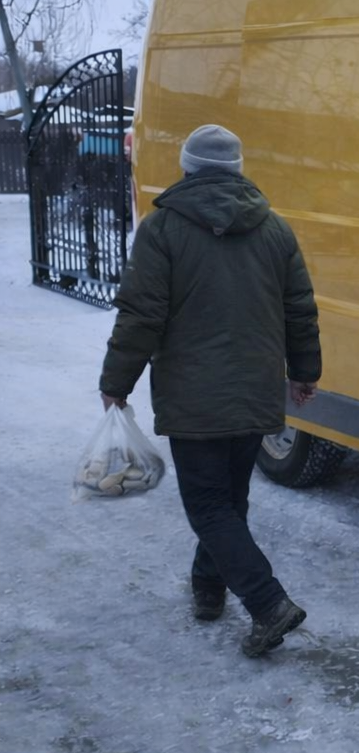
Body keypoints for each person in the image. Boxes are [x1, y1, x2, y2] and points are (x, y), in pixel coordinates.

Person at [98, 124, 321, 659]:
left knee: (208, 505)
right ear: (238, 170)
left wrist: (116, 383)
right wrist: (304, 371)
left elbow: (141, 314)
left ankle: (268, 604)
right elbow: (299, 308)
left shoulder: (162, 229)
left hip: (194, 393)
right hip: (255, 387)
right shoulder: (275, 229)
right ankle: (208, 586)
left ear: (187, 168)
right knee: (229, 500)